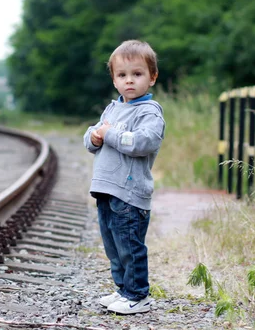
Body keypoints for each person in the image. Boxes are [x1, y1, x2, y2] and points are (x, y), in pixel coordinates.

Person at [83, 40, 165, 315]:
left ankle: (138, 294)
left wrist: (109, 134)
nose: (129, 80)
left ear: (152, 77)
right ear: (114, 80)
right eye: (122, 75)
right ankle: (123, 290)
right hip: (106, 189)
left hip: (130, 193)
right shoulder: (112, 109)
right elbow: (92, 138)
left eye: (137, 74)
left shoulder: (149, 113)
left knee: (130, 245)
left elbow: (143, 143)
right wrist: (94, 136)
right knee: (114, 246)